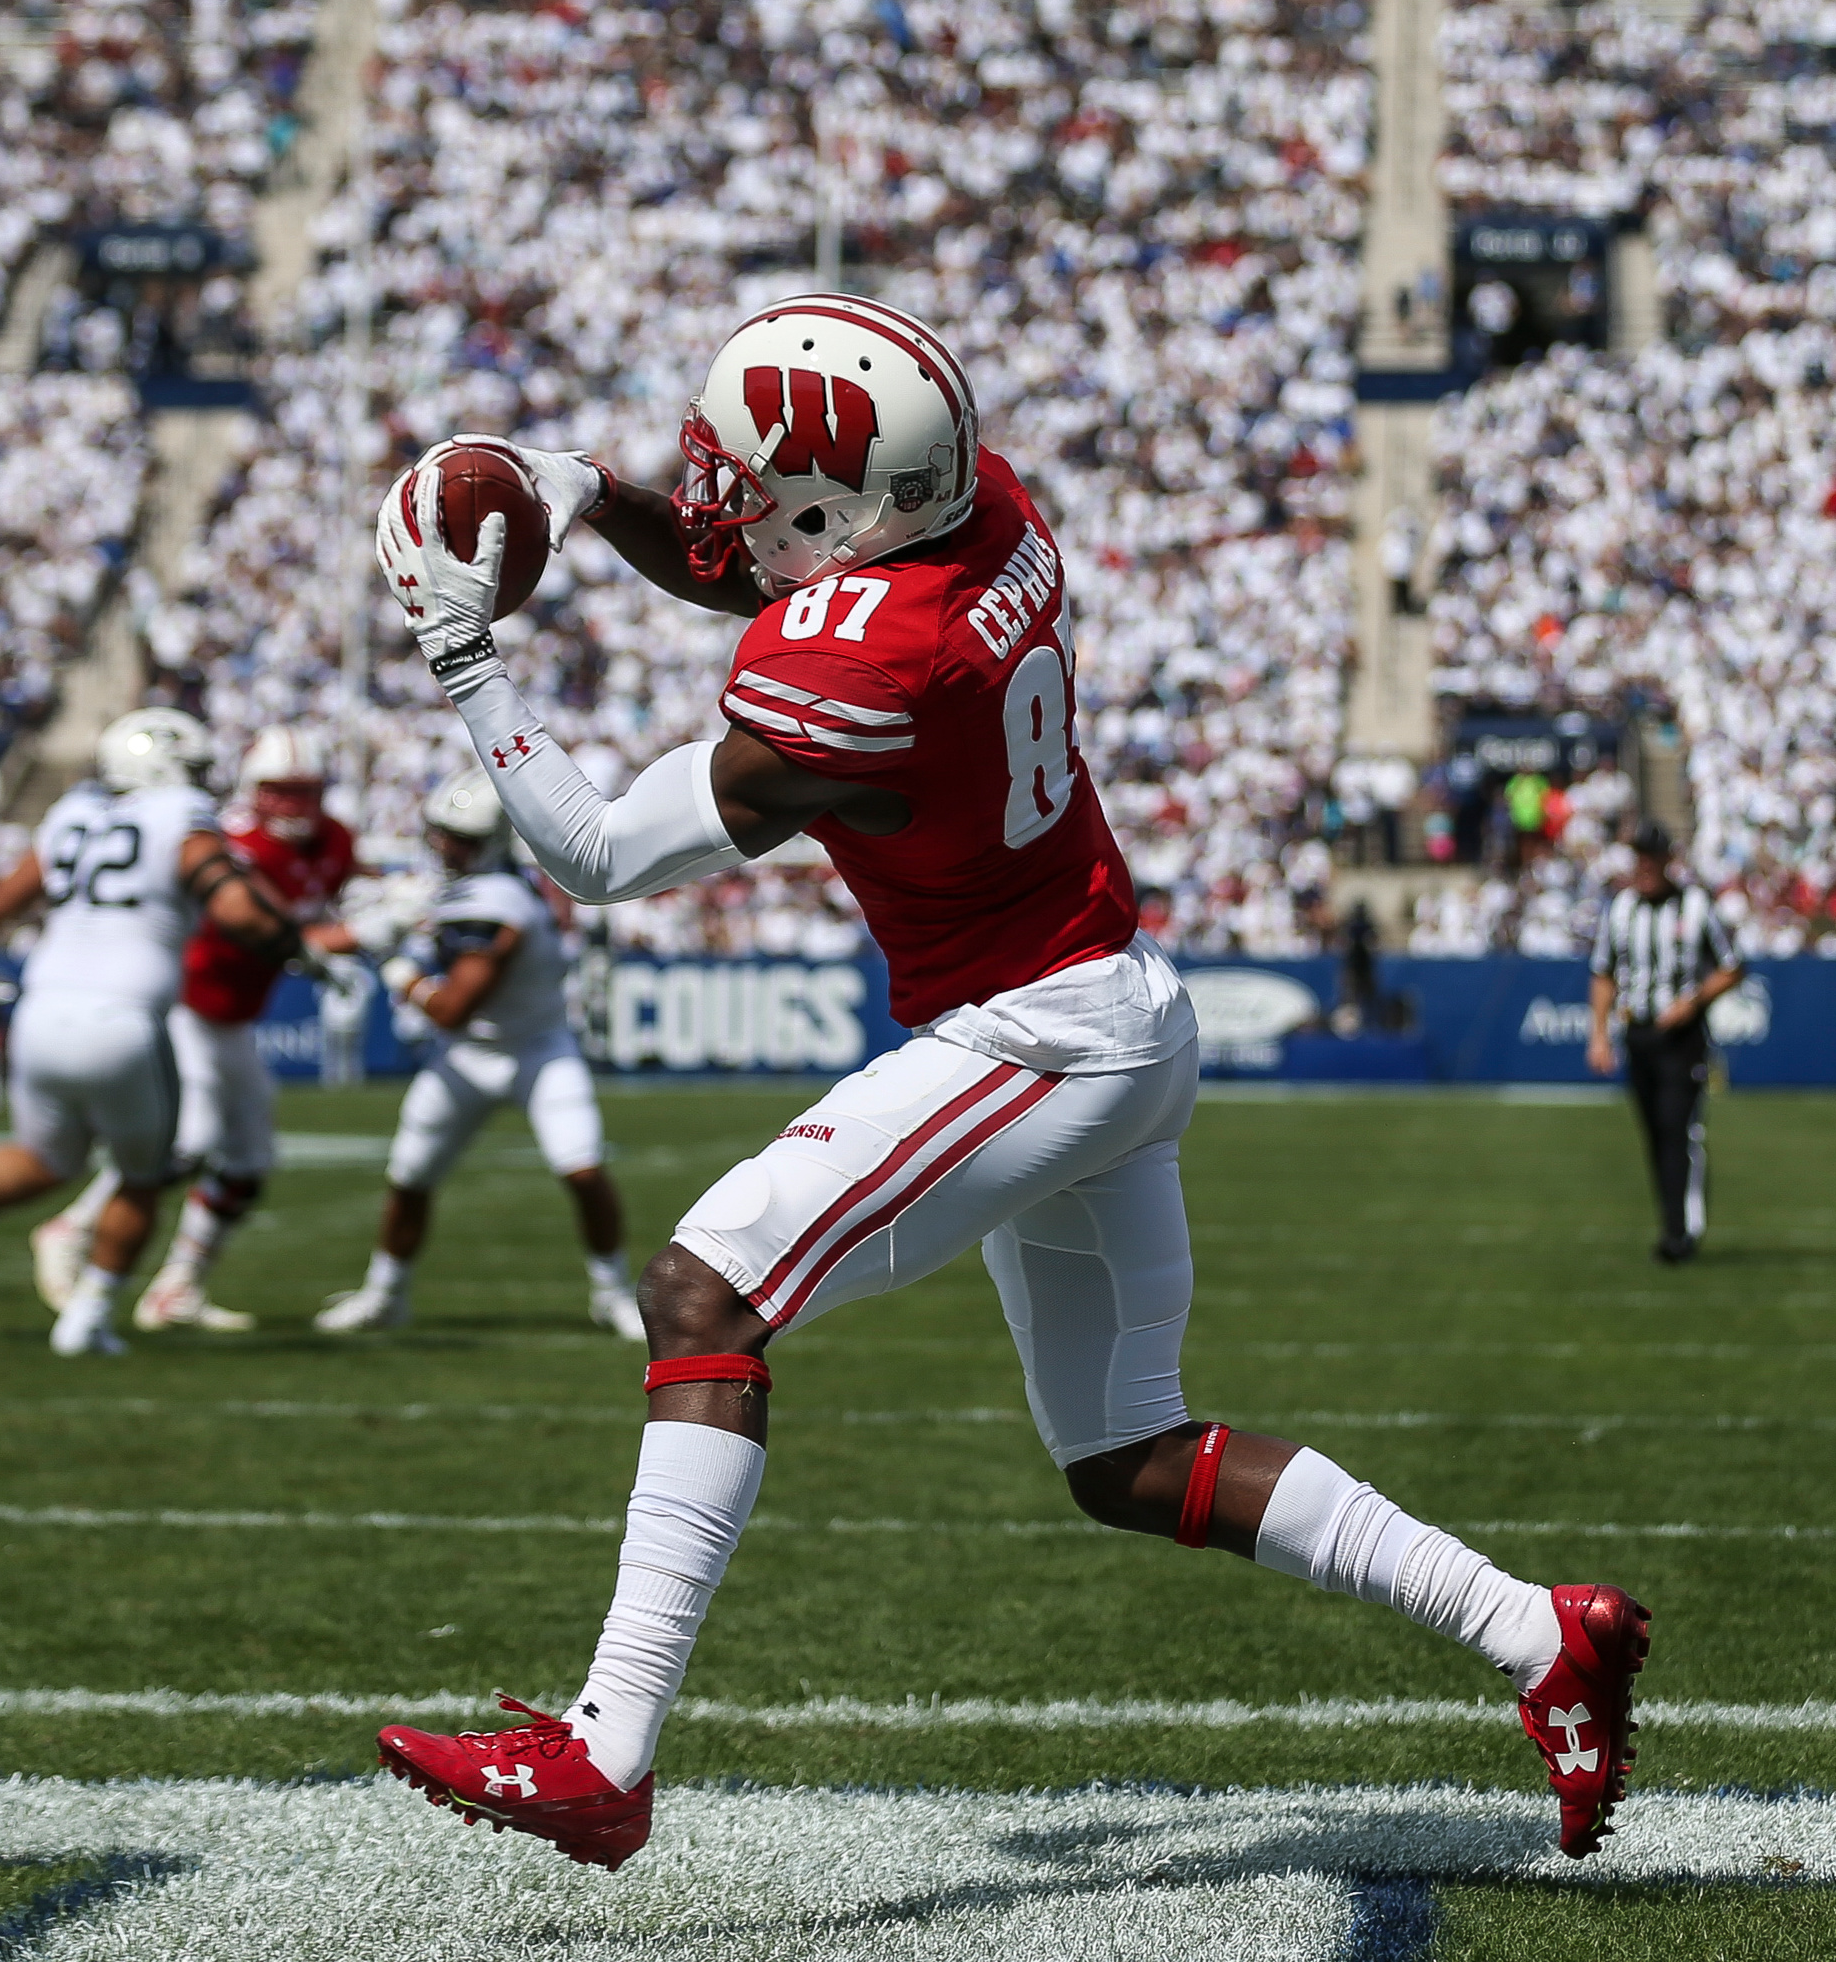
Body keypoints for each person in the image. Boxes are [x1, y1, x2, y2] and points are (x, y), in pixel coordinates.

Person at [360, 293, 1649, 1871]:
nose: (720, 496)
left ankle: (604, 1746)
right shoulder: (983, 507)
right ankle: (1542, 1633)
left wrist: (464, 658)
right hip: (1117, 1003)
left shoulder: (872, 665)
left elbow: (601, 850)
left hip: (1031, 1031)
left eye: (742, 476)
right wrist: (585, 487)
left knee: (707, 1295)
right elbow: (747, 561)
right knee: (1130, 1455)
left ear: (851, 506)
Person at [0, 710, 300, 1355]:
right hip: (124, 1018)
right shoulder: (179, 816)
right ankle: (87, 1319)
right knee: (143, 1176)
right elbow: (237, 910)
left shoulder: (72, 813)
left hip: (40, 1012)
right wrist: (292, 941)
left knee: (47, 1157)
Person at [32, 724, 359, 1330]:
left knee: (250, 1162)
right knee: (190, 1139)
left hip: (233, 1019)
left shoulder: (336, 841)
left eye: (305, 790)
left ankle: (177, 1289)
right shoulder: (227, 843)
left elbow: (319, 912)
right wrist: (359, 935)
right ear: (254, 791)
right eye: (280, 790)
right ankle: (72, 1229)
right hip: (187, 1005)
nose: (293, 804)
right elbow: (269, 926)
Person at [314, 767, 637, 1340]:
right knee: (409, 1176)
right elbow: (329, 943)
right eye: (443, 833)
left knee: (583, 1169)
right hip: (465, 1057)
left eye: (459, 838)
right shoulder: (459, 888)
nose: (445, 846)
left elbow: (449, 1008)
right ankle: (385, 1294)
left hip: (535, 1051)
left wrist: (394, 965)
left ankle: (612, 1296)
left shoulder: (496, 900)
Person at [1586, 823, 1744, 1263]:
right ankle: (1671, 1221)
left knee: (1679, 1129)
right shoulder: (1620, 908)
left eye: (1652, 858)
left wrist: (1691, 1002)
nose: (1645, 867)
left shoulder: (1695, 905)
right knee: (1655, 1132)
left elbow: (1731, 966)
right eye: (1639, 857)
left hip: (1681, 1036)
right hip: (1638, 1032)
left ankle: (1680, 1232)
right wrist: (1599, 1034)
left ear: (1666, 861)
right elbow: (1603, 972)